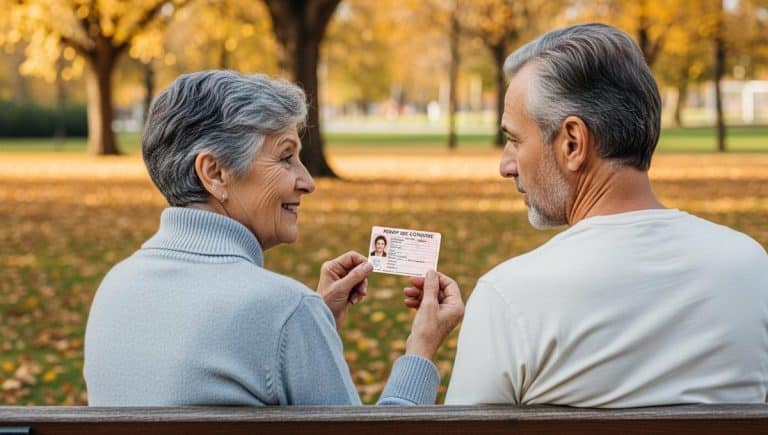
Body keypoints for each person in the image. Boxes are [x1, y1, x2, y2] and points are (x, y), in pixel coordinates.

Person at [411, 23, 768, 407]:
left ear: (573, 143)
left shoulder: (509, 296)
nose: (505, 166)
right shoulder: (751, 266)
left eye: (514, 140)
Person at [83, 70, 464, 406]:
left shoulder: (115, 286)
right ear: (214, 173)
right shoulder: (285, 309)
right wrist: (422, 348)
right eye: (285, 158)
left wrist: (314, 326)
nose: (307, 181)